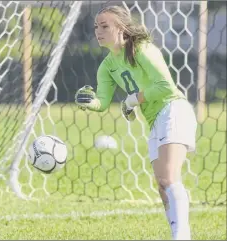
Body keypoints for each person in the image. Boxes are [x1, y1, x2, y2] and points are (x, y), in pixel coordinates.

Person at [75, 5, 197, 240]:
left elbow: (165, 87)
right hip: (155, 121)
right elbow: (102, 102)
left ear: (121, 28)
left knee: (170, 177)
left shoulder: (142, 49)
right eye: (95, 27)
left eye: (104, 26)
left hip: (173, 109)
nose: (98, 31)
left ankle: (182, 237)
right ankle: (178, 234)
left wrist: (131, 100)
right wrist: (88, 102)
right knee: (163, 185)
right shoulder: (107, 66)